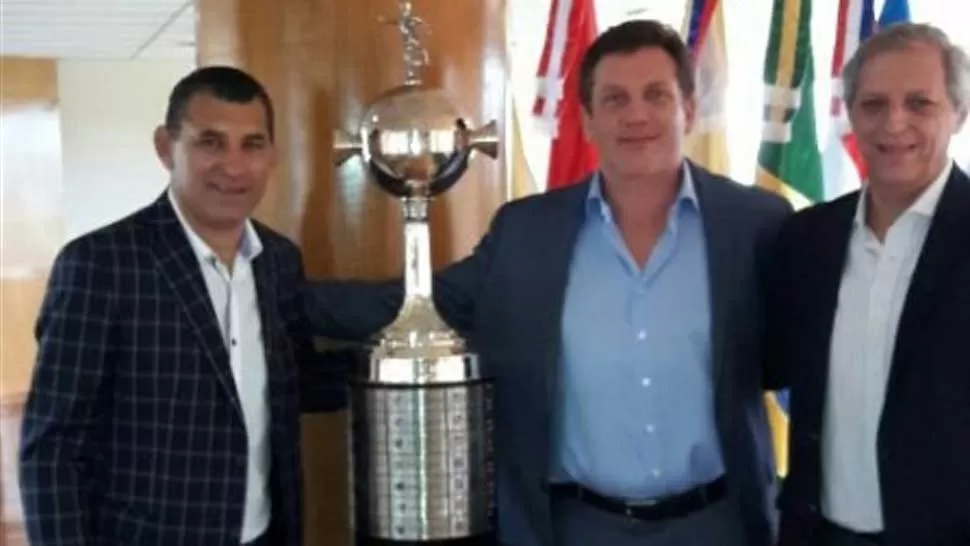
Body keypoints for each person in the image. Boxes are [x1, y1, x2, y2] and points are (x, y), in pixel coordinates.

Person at [305, 20, 792, 546]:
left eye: (656, 95)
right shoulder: (526, 234)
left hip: (719, 524)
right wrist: (279, 292)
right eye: (614, 99)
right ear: (586, 119)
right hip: (573, 526)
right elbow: (421, 302)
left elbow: (806, 350)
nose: (636, 115)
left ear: (689, 110)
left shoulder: (755, 225)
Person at [18, 66, 346, 546]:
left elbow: (295, 383)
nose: (233, 168)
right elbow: (52, 447)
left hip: (265, 535)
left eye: (251, 145)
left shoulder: (278, 261)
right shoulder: (101, 264)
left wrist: (409, 355)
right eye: (209, 143)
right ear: (165, 147)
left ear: (272, 155)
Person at [767, 23, 970, 546]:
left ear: (959, 113)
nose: (893, 123)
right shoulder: (807, 239)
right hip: (818, 534)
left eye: (919, 103)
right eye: (874, 104)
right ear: (852, 115)